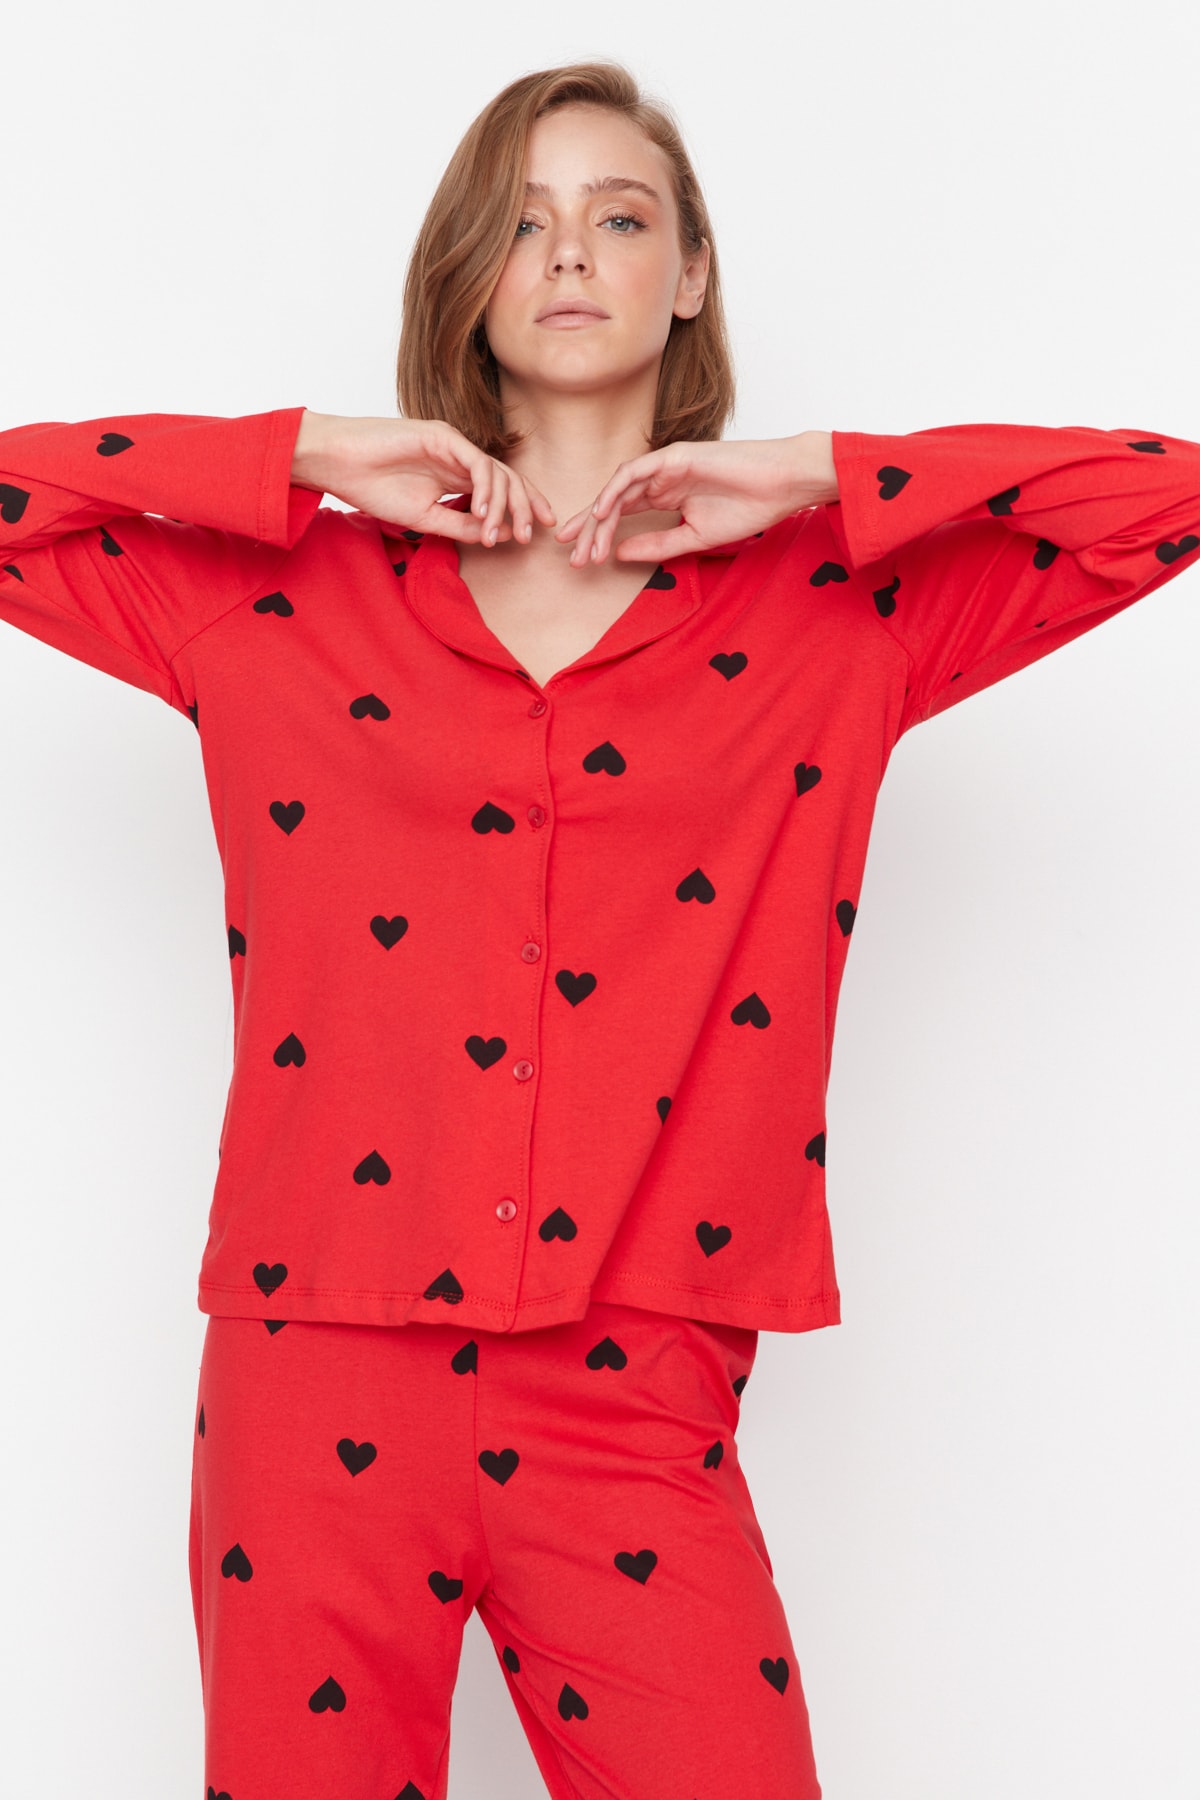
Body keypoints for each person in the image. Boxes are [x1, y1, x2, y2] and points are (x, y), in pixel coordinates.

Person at [2, 56, 1198, 1800]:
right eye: (523, 222)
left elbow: (1167, 499)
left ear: (690, 271)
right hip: (313, 1369)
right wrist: (308, 453)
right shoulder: (276, 600)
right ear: (466, 275)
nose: (569, 253)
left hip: (637, 1386)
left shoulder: (832, 614)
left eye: (620, 217)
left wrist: (811, 477)